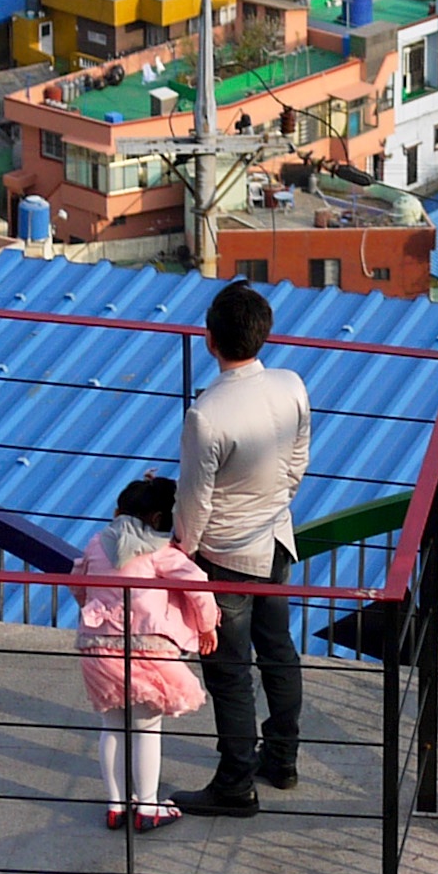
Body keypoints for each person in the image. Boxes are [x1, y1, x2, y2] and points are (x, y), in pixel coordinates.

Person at [170, 279, 309, 817]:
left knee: (229, 670)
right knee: (278, 651)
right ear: (264, 333)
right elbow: (298, 460)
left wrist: (184, 552)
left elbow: (195, 502)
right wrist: (275, 505)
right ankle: (283, 759)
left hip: (225, 556)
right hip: (276, 538)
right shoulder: (291, 383)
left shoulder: (206, 414)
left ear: (210, 341)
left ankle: (234, 784)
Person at [73, 474, 216, 831]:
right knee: (146, 728)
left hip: (98, 646)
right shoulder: (160, 552)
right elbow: (197, 583)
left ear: (119, 512)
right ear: (157, 519)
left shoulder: (95, 544)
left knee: (112, 726)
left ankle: (116, 805)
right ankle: (149, 806)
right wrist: (208, 624)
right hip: (146, 650)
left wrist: (89, 606)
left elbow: (78, 580)